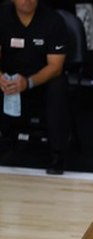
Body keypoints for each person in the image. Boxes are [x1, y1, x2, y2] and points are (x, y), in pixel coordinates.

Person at [0, 0, 69, 174]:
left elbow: (56, 66)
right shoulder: (2, 16)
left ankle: (57, 154)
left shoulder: (53, 20)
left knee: (58, 86)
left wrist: (28, 82)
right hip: (7, 80)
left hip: (40, 81)